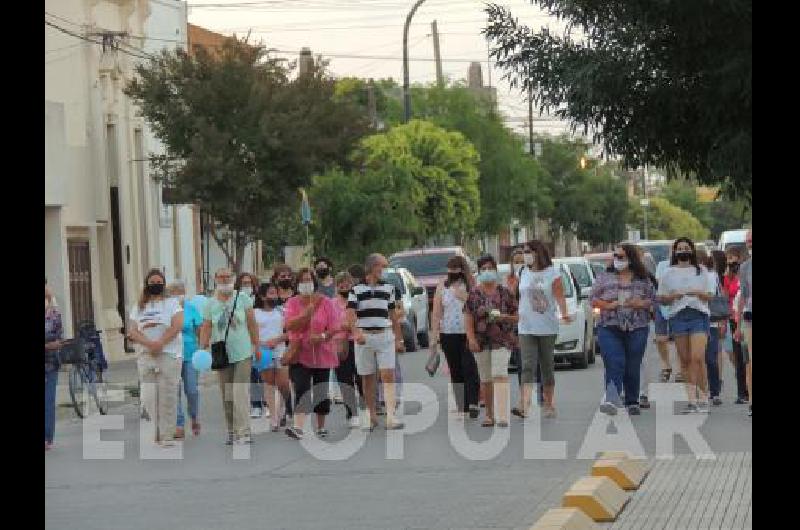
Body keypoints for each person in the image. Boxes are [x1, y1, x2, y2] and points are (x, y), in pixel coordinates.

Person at [592, 245, 657, 415]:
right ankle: (612, 398)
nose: (618, 260)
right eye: (616, 256)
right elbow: (593, 299)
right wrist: (608, 305)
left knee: (633, 364)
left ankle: (632, 400)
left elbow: (652, 299)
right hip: (609, 325)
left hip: (637, 326)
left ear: (631, 259)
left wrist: (640, 303)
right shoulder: (604, 277)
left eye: (621, 257)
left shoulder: (643, 279)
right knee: (615, 360)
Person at [199, 268, 259, 445]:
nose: (225, 280)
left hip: (242, 351)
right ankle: (232, 430)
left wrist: (257, 345)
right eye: (221, 277)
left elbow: (252, 323)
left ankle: (244, 431)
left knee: (240, 391)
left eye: (228, 277)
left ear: (233, 279)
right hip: (221, 354)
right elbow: (207, 326)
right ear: (215, 279)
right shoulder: (210, 303)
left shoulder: (242, 298)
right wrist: (202, 347)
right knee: (227, 394)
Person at [347, 254, 406, 431]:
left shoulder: (390, 288)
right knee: (367, 377)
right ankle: (371, 415)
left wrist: (399, 338)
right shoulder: (356, 289)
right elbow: (350, 312)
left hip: (385, 335)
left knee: (388, 374)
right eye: (383, 266)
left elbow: (393, 315)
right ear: (373, 267)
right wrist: (355, 332)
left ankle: (391, 415)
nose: (385, 270)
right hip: (364, 337)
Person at [283, 268, 343, 439]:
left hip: (322, 353)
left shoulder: (326, 302)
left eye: (309, 280)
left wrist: (322, 336)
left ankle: (321, 425)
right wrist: (304, 315)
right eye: (302, 281)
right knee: (301, 388)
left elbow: (334, 327)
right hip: (300, 352)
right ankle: (298, 427)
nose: (306, 284)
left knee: (321, 392)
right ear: (297, 284)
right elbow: (289, 325)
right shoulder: (292, 303)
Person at [127, 269, 184, 447]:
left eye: (159, 282)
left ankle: (167, 434)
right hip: (146, 355)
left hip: (169, 354)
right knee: (148, 395)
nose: (155, 285)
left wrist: (160, 343)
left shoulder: (172, 303)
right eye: (152, 282)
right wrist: (149, 344)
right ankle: (157, 428)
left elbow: (177, 326)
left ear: (164, 284)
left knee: (167, 394)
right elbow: (133, 330)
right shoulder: (139, 306)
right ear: (146, 284)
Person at [657, 238, 715, 414]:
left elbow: (710, 296)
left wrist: (697, 293)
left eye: (686, 248)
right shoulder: (668, 273)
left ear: (692, 251)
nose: (683, 251)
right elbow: (661, 298)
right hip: (678, 317)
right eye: (679, 248)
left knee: (697, 357)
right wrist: (673, 296)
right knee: (685, 360)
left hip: (698, 315)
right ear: (675, 252)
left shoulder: (701, 271)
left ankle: (704, 396)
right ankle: (692, 400)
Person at [514, 241, 571, 419]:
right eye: (524, 252)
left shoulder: (552, 273)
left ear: (538, 253)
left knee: (547, 366)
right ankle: (524, 404)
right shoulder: (522, 272)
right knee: (527, 366)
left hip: (547, 326)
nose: (525, 255)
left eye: (528, 252)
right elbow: (517, 297)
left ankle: (548, 403)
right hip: (526, 326)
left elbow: (559, 297)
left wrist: (565, 314)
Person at [465, 254, 518, 427]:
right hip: (481, 341)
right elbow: (468, 318)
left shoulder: (506, 293)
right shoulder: (473, 294)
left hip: (502, 339)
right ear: (479, 272)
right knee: (486, 378)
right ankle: (489, 414)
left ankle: (502, 414)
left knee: (500, 374)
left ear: (495, 270)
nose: (487, 271)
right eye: (483, 269)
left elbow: (517, 317)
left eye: (490, 268)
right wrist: (471, 338)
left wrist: (504, 317)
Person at [431, 255, 480, 420]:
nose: (452, 274)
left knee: (469, 367)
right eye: (450, 270)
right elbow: (437, 312)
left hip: (468, 333)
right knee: (456, 370)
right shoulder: (442, 287)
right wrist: (434, 336)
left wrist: (464, 296)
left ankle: (473, 402)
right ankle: (462, 406)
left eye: (456, 270)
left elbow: (479, 305)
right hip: (448, 334)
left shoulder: (472, 285)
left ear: (462, 270)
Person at [253, 283, 290, 432]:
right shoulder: (255, 313)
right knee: (268, 383)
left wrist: (277, 341)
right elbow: (251, 333)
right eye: (271, 293)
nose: (274, 296)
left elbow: (290, 332)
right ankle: (273, 417)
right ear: (262, 296)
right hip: (263, 351)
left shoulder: (282, 311)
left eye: (275, 293)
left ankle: (282, 410)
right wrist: (261, 344)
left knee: (283, 383)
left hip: (280, 350)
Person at [169, 280, 202, 439]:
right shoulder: (167, 310)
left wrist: (202, 348)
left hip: (190, 354)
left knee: (192, 390)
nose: (177, 294)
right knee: (174, 391)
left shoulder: (191, 308)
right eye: (174, 291)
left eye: (180, 291)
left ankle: (194, 417)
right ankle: (179, 424)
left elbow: (200, 329)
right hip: (172, 355)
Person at [234, 273, 267, 420]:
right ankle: (256, 405)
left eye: (249, 283)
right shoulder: (236, 300)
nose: (246, 286)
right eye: (243, 284)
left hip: (262, 339)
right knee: (253, 374)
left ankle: (267, 403)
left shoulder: (260, 300)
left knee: (263, 372)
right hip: (244, 341)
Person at [333, 272, 364, 429]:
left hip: (359, 342)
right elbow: (328, 324)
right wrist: (343, 326)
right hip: (340, 345)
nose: (344, 286)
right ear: (336, 286)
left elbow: (364, 320)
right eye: (341, 284)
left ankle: (366, 409)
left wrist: (351, 325)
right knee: (345, 380)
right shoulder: (331, 304)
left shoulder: (359, 301)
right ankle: (352, 413)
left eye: (347, 283)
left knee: (361, 378)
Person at [723, 247, 748, 404]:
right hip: (734, 319)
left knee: (748, 356)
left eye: (734, 258)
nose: (732, 261)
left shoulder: (747, 273)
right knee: (738, 356)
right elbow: (726, 298)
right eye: (729, 258)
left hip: (747, 317)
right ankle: (741, 392)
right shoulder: (727, 277)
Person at [704, 251, 728, 406]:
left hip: (711, 322)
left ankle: (714, 391)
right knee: (697, 359)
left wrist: (722, 321)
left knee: (711, 358)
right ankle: (702, 391)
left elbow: (719, 298)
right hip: (695, 322)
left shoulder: (713, 276)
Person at [654, 257, 680, 383]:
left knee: (679, 338)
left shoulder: (687, 268)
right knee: (660, 339)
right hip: (662, 303)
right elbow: (659, 282)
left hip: (679, 304)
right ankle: (666, 365)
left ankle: (680, 370)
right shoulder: (662, 264)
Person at [735, 229, 752, 417]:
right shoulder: (745, 267)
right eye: (748, 241)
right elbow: (742, 297)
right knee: (750, 362)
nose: (750, 243)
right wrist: (738, 325)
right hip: (749, 318)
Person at [45, 280, 63, 451]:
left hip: (50, 363)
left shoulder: (54, 313)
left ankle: (47, 438)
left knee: (48, 401)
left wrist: (54, 344)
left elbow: (59, 338)